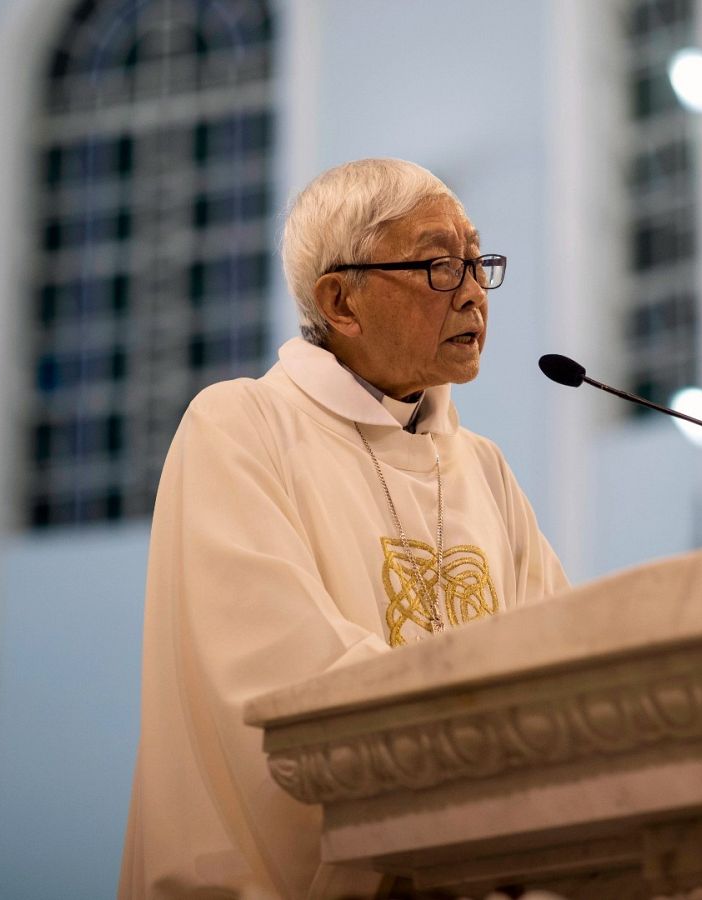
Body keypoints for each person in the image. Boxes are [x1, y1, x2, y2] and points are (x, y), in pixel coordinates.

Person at [118, 158, 570, 899]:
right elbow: (279, 685)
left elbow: (566, 660)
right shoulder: (241, 427)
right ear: (341, 301)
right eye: (437, 265)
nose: (473, 292)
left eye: (478, 261)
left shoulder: (482, 470)